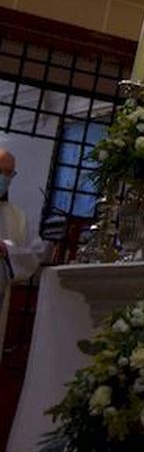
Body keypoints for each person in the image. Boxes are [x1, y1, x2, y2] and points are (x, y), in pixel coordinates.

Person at [0, 149, 39, 362]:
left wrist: (8, 250)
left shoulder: (17, 216)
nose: (4, 178)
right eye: (0, 171)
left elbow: (34, 252)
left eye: (9, 173)